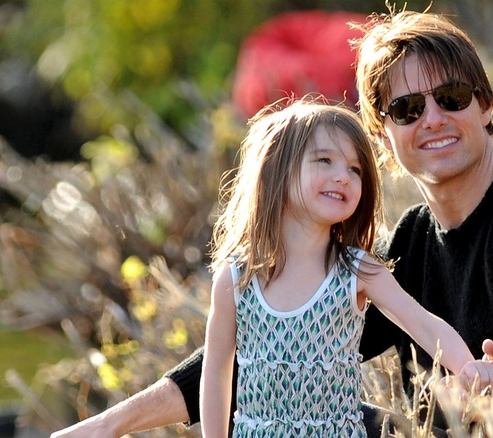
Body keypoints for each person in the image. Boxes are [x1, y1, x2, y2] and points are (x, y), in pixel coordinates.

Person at [51, 8, 493, 438]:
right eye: (408, 109)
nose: (433, 118)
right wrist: (108, 425)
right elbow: (254, 353)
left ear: (487, 104)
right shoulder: (414, 242)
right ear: (383, 139)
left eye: (453, 95)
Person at [200, 99, 478, 437]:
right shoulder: (237, 277)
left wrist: (472, 370)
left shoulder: (356, 270)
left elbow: (422, 324)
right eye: (324, 161)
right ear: (277, 169)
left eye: (354, 169)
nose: (343, 177)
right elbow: (216, 371)